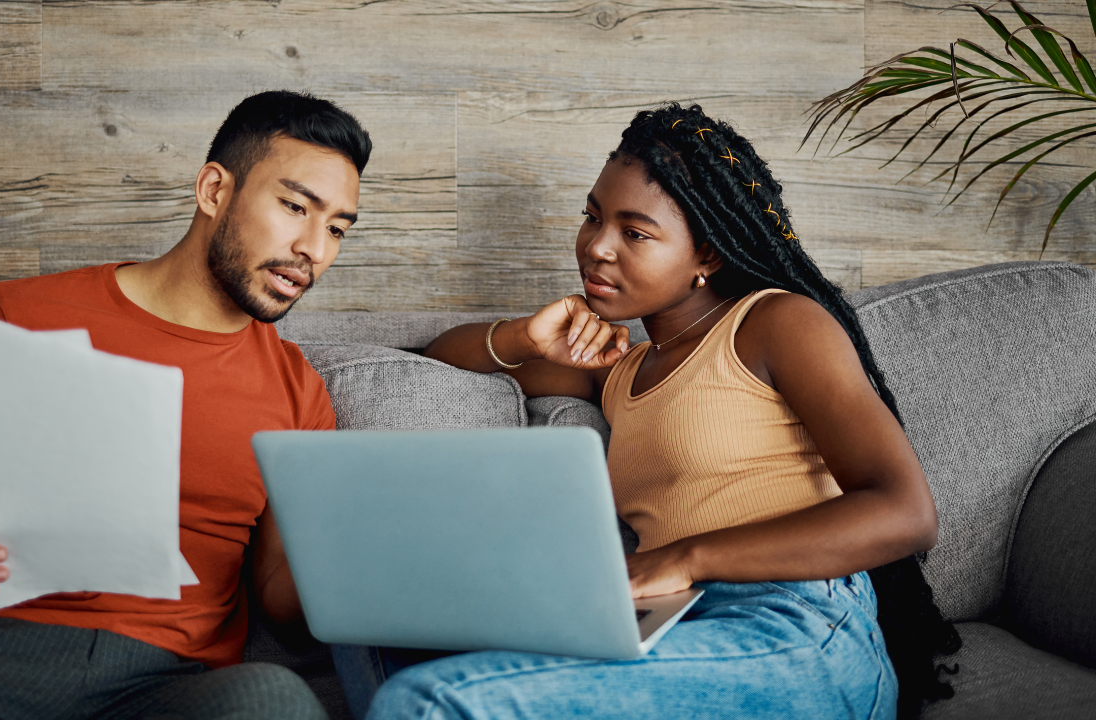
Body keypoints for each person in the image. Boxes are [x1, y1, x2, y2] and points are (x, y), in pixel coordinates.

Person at [349, 103, 961, 720]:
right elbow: (443, 357)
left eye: (634, 232)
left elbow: (904, 513)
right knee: (376, 633)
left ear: (708, 256)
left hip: (794, 622)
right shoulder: (621, 369)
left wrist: (680, 558)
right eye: (592, 217)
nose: (597, 248)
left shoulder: (776, 324)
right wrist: (527, 338)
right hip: (673, 623)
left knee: (428, 700)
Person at [0, 90, 371, 720]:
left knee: (274, 701)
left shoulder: (298, 390)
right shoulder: (21, 314)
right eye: (296, 206)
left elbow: (284, 599)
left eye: (336, 229)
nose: (314, 250)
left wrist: (375, 557)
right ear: (215, 191)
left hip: (166, 683)